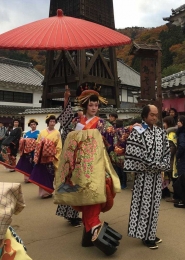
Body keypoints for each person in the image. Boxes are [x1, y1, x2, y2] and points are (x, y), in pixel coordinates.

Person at [55, 83, 121, 255]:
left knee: (95, 195)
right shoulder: (76, 122)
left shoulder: (102, 123)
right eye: (91, 105)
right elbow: (68, 141)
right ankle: (90, 230)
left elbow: (112, 136)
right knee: (84, 197)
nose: (94, 108)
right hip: (79, 167)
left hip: (96, 166)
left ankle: (92, 227)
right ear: (85, 105)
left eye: (96, 105)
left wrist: (128, 130)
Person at [124, 104, 171, 249]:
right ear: (144, 116)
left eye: (156, 115)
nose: (155, 117)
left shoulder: (160, 132)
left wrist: (163, 165)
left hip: (156, 175)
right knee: (144, 205)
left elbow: (166, 151)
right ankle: (145, 236)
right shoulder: (137, 131)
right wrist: (158, 165)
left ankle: (150, 234)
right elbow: (138, 155)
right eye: (152, 114)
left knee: (155, 206)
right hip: (144, 175)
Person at [29, 114, 62, 199]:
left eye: (54, 121)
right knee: (42, 173)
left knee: (50, 173)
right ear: (47, 122)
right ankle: (43, 192)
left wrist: (55, 155)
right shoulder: (42, 132)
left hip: (51, 156)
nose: (52, 123)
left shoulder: (57, 133)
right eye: (51, 121)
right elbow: (37, 143)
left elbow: (59, 146)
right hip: (42, 156)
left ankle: (48, 191)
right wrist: (41, 147)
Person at [15, 118, 40, 183]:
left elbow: (39, 142)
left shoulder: (39, 133)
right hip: (26, 151)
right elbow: (23, 141)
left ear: (36, 125)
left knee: (34, 164)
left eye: (34, 124)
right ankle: (27, 178)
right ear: (30, 126)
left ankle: (34, 178)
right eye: (31, 125)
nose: (33, 126)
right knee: (27, 164)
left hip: (34, 151)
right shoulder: (27, 133)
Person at [162, 116, 177, 200]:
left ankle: (175, 196)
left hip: (171, 160)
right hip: (169, 159)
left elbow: (172, 148)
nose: (163, 124)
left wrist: (165, 155)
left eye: (165, 122)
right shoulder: (169, 132)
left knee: (172, 177)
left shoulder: (171, 134)